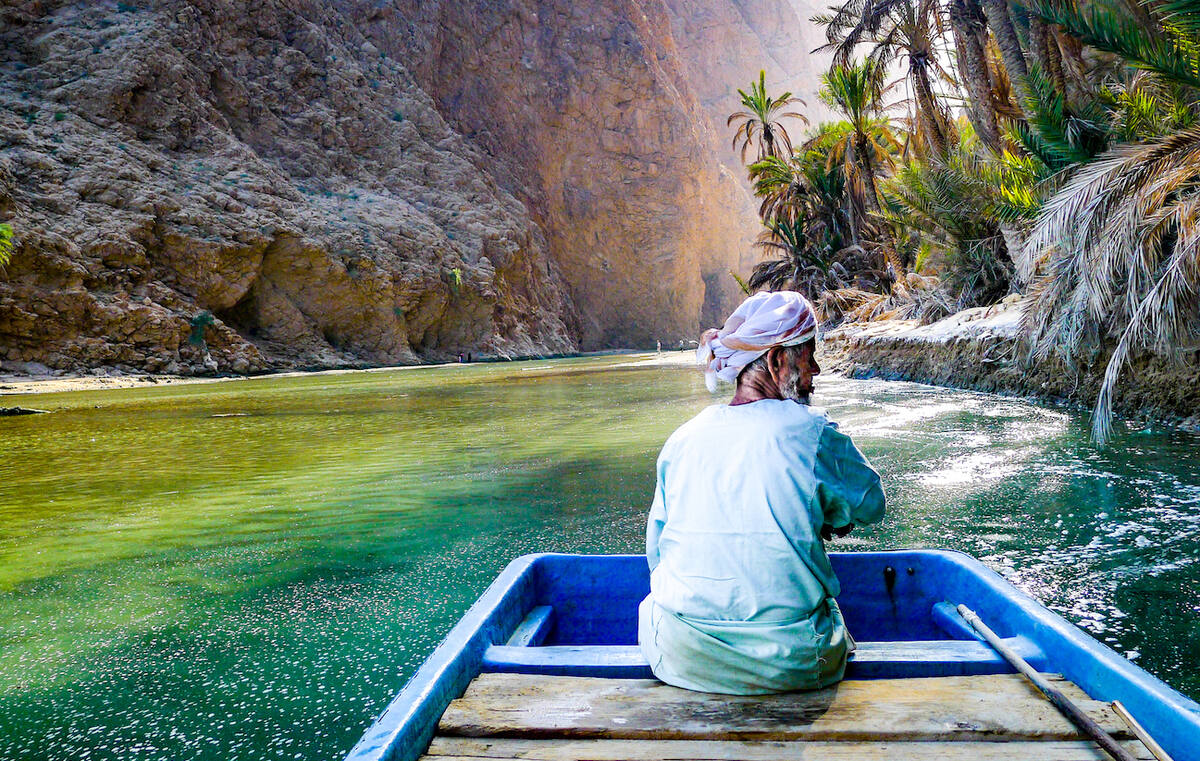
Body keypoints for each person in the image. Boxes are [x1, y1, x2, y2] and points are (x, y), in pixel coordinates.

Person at [638, 290, 885, 695]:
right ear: (775, 360)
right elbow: (870, 506)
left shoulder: (682, 439)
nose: (817, 370)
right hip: (791, 663)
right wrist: (829, 516)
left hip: (681, 656)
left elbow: (658, 554)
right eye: (808, 356)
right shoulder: (812, 432)